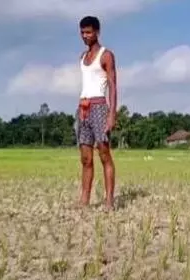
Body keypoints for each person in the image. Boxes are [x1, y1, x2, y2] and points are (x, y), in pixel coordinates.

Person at [76, 15, 116, 211]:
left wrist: (112, 114)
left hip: (100, 107)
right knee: (85, 158)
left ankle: (109, 201)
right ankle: (84, 200)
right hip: (83, 107)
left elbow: (112, 85)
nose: (85, 35)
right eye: (82, 32)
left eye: (89, 32)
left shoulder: (106, 55)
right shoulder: (82, 58)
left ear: (97, 32)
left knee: (104, 155)